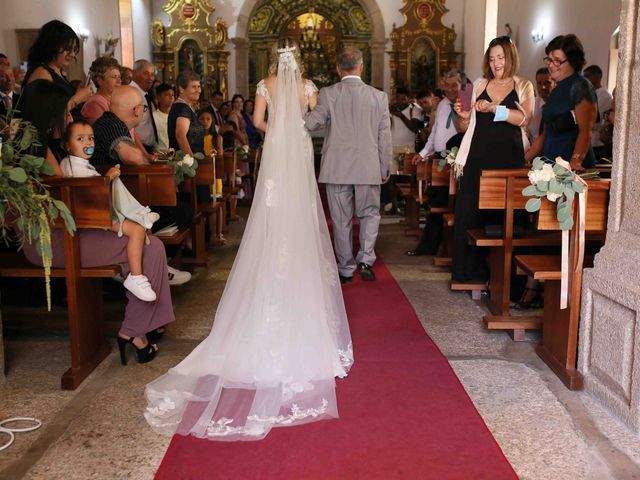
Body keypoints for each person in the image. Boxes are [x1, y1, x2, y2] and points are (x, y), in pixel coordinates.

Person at [145, 37, 353, 441]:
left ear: (276, 57)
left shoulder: (266, 86)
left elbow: (257, 123)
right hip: (298, 154)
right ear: (301, 57)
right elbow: (316, 120)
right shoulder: (308, 87)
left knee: (270, 219)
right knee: (303, 218)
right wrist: (297, 125)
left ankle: (268, 285)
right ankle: (301, 295)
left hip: (276, 152)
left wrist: (277, 127)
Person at [21, 80, 174, 363]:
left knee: (151, 246)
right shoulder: (36, 151)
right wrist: (110, 219)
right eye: (65, 112)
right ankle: (136, 329)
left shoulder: (53, 145)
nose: (69, 118)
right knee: (146, 247)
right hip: (53, 239)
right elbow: (64, 195)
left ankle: (138, 327)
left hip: (73, 228)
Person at [305, 46, 392, 282]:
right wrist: (385, 166)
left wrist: (296, 109)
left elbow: (312, 123)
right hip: (368, 165)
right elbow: (385, 136)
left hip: (337, 167)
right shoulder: (378, 97)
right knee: (369, 214)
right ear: (361, 67)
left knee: (341, 219)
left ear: (337, 68)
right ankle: (365, 260)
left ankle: (345, 268)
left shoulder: (328, 93)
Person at [451, 36, 534, 282]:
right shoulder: (471, 86)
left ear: (511, 57)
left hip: (510, 161)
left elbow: (524, 119)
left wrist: (493, 108)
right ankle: (469, 274)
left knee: (508, 218)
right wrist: (464, 116)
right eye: (492, 58)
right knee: (471, 215)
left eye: (501, 57)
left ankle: (507, 280)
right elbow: (460, 127)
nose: (496, 63)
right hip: (477, 159)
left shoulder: (524, 85)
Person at [60, 120, 159, 302]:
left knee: (142, 225)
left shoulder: (80, 164)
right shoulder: (71, 165)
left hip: (99, 212)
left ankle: (131, 267)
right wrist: (106, 179)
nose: (88, 143)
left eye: (90, 138)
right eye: (80, 139)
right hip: (93, 215)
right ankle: (135, 276)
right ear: (66, 145)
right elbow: (89, 190)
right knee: (137, 230)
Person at [405, 71, 463, 257]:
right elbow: (435, 134)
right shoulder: (443, 105)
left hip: (455, 159)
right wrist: (422, 154)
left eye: (455, 84)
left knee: (444, 205)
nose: (451, 89)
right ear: (443, 86)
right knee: (436, 205)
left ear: (461, 85)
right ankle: (430, 246)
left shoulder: (466, 104)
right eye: (448, 85)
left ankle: (438, 247)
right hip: (439, 158)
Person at [526, 34, 597, 171]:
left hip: (570, 164)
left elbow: (586, 130)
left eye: (557, 61)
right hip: (551, 162)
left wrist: (575, 162)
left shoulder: (580, 85)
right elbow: (545, 134)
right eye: (549, 60)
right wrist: (525, 158)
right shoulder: (556, 90)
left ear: (572, 61)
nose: (551, 65)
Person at [17, 20, 92, 117]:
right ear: (52, 46)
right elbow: (45, 114)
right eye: (67, 49)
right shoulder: (41, 73)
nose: (72, 54)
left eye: (74, 49)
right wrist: (77, 99)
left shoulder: (57, 71)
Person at [583, 64, 613, 160]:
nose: (585, 79)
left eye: (587, 76)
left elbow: (595, 119)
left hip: (598, 143)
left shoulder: (605, 96)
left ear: (597, 77)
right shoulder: (588, 93)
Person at [81, 56, 122, 124]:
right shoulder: (95, 104)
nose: (119, 81)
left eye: (119, 77)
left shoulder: (118, 100)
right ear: (100, 81)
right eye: (114, 77)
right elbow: (105, 132)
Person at [527, 67, 554, 143]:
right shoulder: (531, 105)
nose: (543, 87)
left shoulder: (562, 105)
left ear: (555, 83)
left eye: (547, 83)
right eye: (539, 83)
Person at [152, 83, 175, 151]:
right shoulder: (153, 116)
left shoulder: (177, 116)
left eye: (173, 95)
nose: (171, 97)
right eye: (167, 94)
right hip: (159, 154)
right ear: (158, 97)